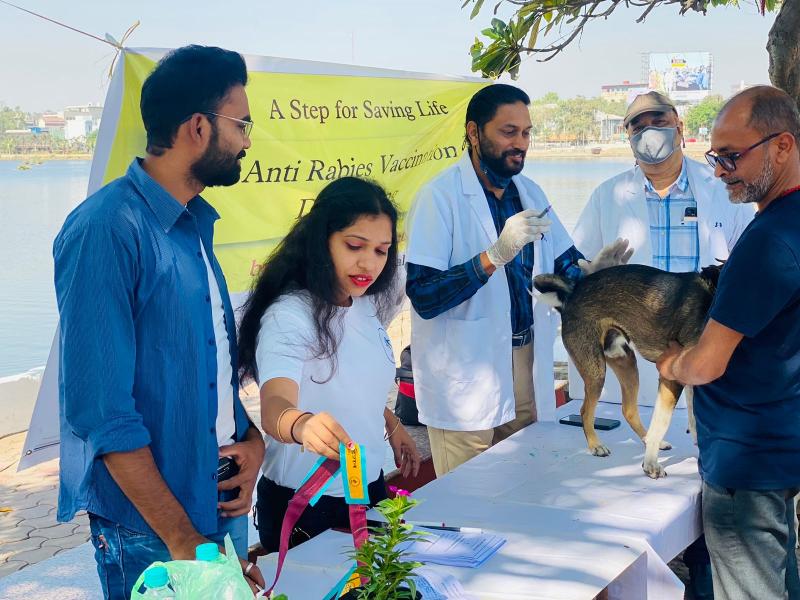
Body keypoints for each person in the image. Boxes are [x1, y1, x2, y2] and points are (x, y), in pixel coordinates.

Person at [53, 45, 265, 597]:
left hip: (218, 506)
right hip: (155, 531)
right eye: (241, 123)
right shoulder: (107, 228)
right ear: (199, 127)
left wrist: (253, 440)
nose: (246, 140)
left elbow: (207, 367)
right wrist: (182, 540)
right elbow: (100, 411)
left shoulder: (194, 224)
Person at [573, 89, 754, 600]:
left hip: (708, 366)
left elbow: (748, 270)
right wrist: (593, 272)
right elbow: (577, 277)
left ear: (678, 124)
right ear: (626, 135)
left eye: (657, 119)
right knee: (631, 515)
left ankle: (705, 585)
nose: (648, 130)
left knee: (710, 512)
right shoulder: (608, 196)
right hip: (638, 360)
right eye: (636, 124)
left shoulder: (721, 188)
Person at [404, 84, 632, 476]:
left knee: (526, 481)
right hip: (464, 371)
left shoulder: (530, 192)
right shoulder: (438, 198)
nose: (520, 143)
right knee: (469, 496)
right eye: (508, 132)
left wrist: (594, 274)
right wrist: (492, 258)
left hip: (525, 361)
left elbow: (565, 265)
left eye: (526, 133)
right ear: (474, 133)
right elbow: (424, 295)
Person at [657, 85, 800, 600]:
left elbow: (709, 363)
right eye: (715, 157)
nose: (719, 170)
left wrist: (672, 362)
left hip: (747, 460)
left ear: (782, 146)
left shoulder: (768, 242)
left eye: (732, 157)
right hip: (780, 444)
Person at [237, 177, 421, 553]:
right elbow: (275, 406)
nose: (368, 263)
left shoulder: (365, 305)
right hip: (307, 503)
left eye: (382, 251)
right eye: (354, 245)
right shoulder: (289, 315)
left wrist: (392, 422)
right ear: (322, 241)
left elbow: (349, 383)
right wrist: (301, 424)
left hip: (368, 487)